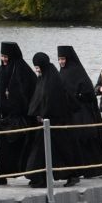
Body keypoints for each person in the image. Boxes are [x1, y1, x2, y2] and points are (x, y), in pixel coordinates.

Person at [58, 45, 102, 177]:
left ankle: (94, 169)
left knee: (85, 139)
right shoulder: (62, 73)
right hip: (70, 113)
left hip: (82, 112)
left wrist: (77, 97)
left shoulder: (78, 72)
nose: (61, 62)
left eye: (63, 59)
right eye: (59, 59)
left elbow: (89, 94)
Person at [29, 50, 81, 187]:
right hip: (47, 122)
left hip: (57, 122)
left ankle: (72, 175)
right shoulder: (44, 76)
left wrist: (44, 114)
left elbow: (53, 100)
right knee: (43, 152)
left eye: (38, 67)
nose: (36, 70)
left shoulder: (53, 80)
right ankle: (40, 178)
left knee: (62, 151)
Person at [0, 42, 39, 184]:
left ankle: (32, 175)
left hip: (20, 118)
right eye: (2, 56)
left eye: (6, 56)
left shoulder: (22, 70)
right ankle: (0, 176)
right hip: (4, 118)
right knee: (2, 148)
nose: (4, 59)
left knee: (24, 148)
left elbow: (29, 93)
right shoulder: (2, 69)